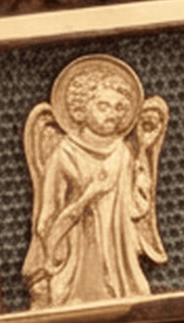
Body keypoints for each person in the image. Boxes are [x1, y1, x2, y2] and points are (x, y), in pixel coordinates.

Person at [22, 59, 169, 307]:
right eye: (103, 106)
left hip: (120, 260)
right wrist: (88, 197)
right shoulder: (64, 154)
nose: (112, 114)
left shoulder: (123, 152)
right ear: (81, 108)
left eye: (119, 108)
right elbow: (47, 220)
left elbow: (136, 208)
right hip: (76, 258)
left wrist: (143, 150)